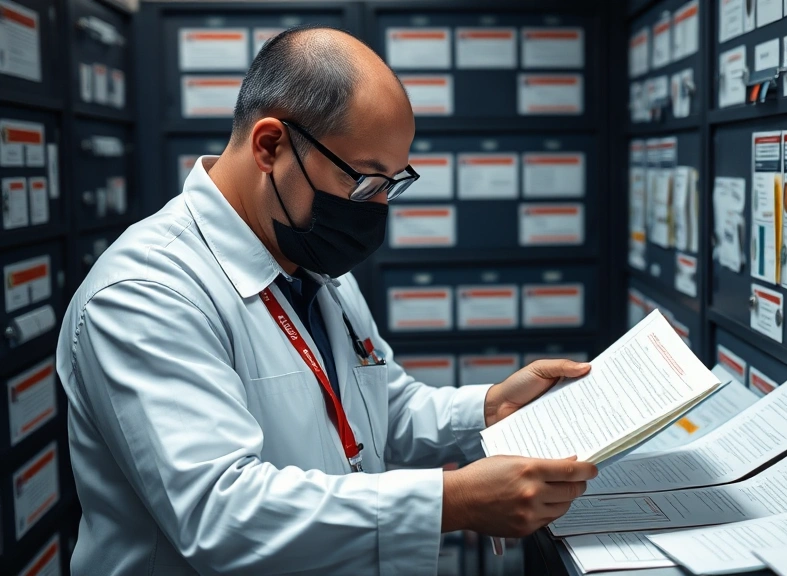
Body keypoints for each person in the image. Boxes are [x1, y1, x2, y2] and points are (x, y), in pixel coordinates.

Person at [56, 26, 597, 575]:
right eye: (365, 181)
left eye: (393, 183)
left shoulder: (306, 257)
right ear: (271, 146)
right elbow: (220, 514)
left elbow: (379, 409)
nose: (378, 208)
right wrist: (450, 501)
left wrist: (489, 408)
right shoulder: (147, 293)